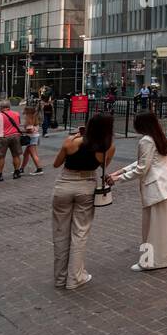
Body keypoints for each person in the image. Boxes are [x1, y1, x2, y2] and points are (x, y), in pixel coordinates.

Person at [108, 111, 167, 271]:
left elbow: (142, 168)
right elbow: (143, 161)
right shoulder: (159, 136)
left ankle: (150, 261)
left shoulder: (145, 141)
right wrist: (120, 172)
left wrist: (118, 178)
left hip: (157, 186)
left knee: (152, 227)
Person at [51, 113, 115, 290]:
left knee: (60, 232)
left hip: (64, 184)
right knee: (80, 232)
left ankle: (60, 277)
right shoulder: (107, 147)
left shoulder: (72, 141)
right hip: (86, 185)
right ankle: (75, 277)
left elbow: (56, 164)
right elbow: (103, 167)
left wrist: (73, 140)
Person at [0, 100, 24, 182]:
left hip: (3, 137)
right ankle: (16, 172)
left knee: (1, 156)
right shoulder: (16, 114)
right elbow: (18, 124)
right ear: (9, 107)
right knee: (16, 155)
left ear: (1, 107)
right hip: (15, 136)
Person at [17, 103, 45, 175]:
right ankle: (22, 169)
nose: (23, 111)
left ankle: (39, 169)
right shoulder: (34, 117)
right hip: (34, 137)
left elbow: (30, 130)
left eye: (25, 110)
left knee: (33, 154)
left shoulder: (29, 119)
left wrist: (20, 131)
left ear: (27, 112)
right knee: (26, 154)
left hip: (31, 137)